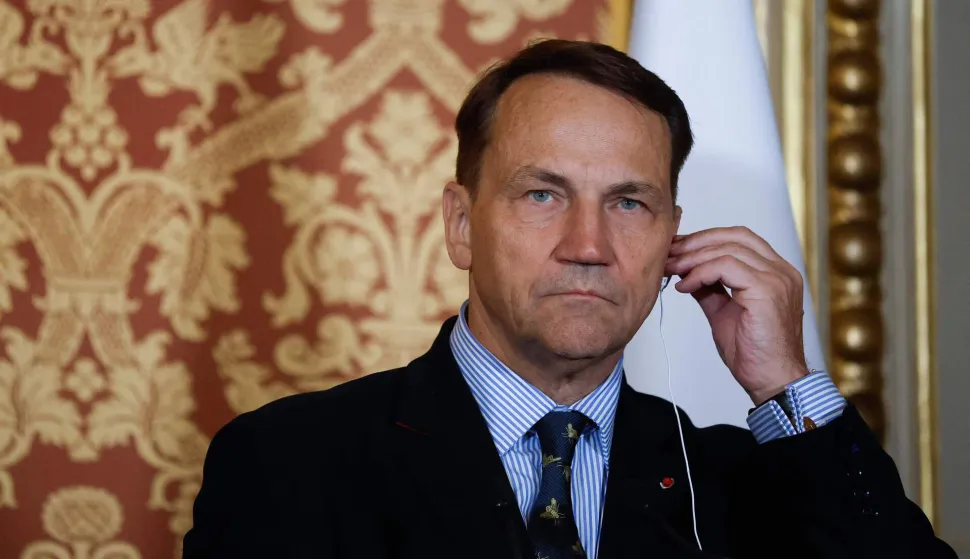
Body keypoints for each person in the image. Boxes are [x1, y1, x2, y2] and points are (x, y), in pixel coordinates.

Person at [182, 40, 955, 559]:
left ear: (671, 243)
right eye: (544, 193)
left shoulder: (743, 481)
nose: (588, 243)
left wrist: (786, 385)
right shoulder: (290, 463)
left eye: (629, 203)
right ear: (461, 224)